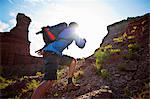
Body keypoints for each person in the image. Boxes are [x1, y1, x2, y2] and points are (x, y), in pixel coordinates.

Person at [31, 22, 86, 99]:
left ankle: (70, 84)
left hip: (54, 54)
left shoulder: (64, 31)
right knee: (49, 80)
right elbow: (81, 44)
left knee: (72, 61)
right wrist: (84, 40)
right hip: (52, 54)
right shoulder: (72, 32)